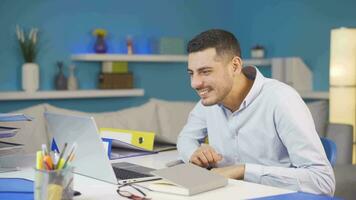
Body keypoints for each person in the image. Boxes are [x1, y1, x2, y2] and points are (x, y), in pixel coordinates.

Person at [177, 29, 335, 196]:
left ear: (235, 66)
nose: (195, 83)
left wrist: (243, 171)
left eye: (205, 71)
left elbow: (323, 181)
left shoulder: (281, 100)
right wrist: (193, 153)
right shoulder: (210, 101)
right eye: (191, 73)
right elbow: (186, 138)